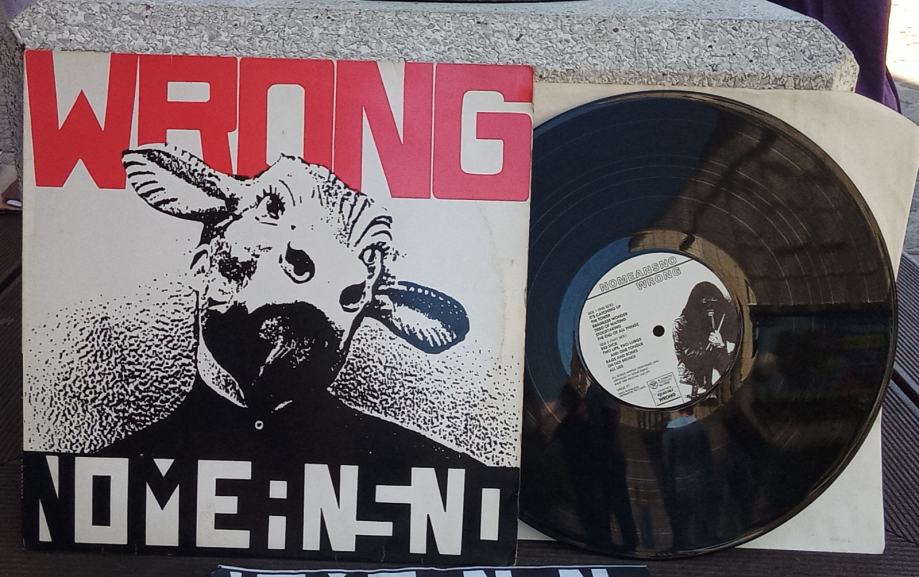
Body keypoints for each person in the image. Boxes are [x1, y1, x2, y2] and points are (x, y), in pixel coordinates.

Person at [672, 282, 737, 399]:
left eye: (713, 301)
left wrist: (721, 345)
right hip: (691, 381)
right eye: (705, 302)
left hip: (719, 382)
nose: (710, 307)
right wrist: (711, 347)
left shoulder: (719, 321)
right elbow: (688, 356)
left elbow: (729, 361)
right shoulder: (681, 324)